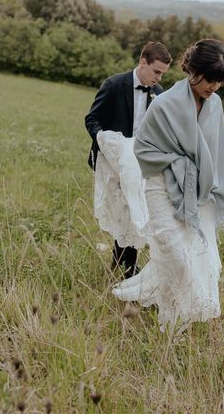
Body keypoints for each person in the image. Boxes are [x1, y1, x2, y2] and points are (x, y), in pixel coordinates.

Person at [112, 38, 224, 332]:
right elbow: (143, 148)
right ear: (193, 71)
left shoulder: (214, 106)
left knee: (187, 255)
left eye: (219, 81)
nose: (214, 87)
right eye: (210, 79)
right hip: (160, 185)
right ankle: (186, 309)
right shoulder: (165, 104)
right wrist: (178, 163)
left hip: (196, 193)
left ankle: (173, 324)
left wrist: (209, 186)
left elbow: (217, 152)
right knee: (174, 253)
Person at [85, 41, 172, 278]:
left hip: (140, 164)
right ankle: (122, 262)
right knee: (121, 211)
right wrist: (106, 141)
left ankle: (127, 266)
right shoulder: (114, 84)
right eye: (156, 72)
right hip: (113, 163)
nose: (159, 78)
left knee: (136, 210)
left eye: (163, 74)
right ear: (143, 62)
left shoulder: (158, 94)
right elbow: (92, 119)